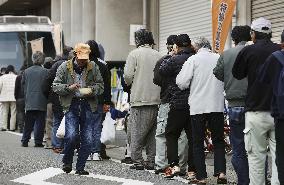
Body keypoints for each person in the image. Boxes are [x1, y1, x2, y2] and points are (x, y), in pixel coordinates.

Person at [232, 17, 281, 185]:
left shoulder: (248, 51)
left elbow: (237, 74)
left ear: (253, 34)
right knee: (279, 158)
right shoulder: (279, 50)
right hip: (279, 112)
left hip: (256, 111)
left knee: (256, 158)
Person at [176, 37, 226, 184]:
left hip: (198, 106)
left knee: (197, 142)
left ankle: (202, 177)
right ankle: (221, 173)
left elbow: (181, 82)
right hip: (216, 105)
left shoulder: (193, 60)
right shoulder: (218, 57)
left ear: (196, 47)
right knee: (218, 140)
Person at [53, 43, 104, 175]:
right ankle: (67, 162)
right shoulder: (64, 67)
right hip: (71, 104)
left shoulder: (94, 67)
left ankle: (80, 167)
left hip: (88, 105)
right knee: (71, 136)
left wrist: (91, 90)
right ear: (75, 55)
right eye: (81, 58)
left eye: (85, 59)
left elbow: (101, 86)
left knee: (88, 139)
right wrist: (68, 88)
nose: (83, 61)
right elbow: (55, 86)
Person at [213, 25, 251, 185]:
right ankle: (259, 180)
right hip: (256, 105)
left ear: (234, 39)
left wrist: (230, 80)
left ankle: (244, 181)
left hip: (235, 104)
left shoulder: (226, 54)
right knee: (257, 148)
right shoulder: (255, 52)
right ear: (250, 36)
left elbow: (217, 72)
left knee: (238, 146)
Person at [158, 34, 196, 179]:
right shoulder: (195, 58)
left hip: (178, 104)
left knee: (171, 134)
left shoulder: (174, 59)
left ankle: (174, 166)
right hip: (195, 104)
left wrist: (171, 54)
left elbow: (162, 71)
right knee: (193, 138)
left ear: (177, 46)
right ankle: (192, 170)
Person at [124, 29, 162, 170]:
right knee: (153, 134)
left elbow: (128, 76)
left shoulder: (134, 54)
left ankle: (138, 161)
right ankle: (152, 161)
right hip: (157, 99)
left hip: (140, 98)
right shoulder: (159, 55)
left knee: (137, 133)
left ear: (137, 40)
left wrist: (131, 83)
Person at [153, 34, 189, 176]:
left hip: (167, 100)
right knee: (182, 135)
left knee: (162, 133)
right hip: (184, 102)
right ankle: (181, 166)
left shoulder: (163, 60)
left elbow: (156, 79)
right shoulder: (189, 59)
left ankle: (161, 164)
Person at [258, 30, 284, 185]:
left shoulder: (275, 58)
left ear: (281, 43)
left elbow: (263, 79)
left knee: (281, 154)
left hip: (281, 115)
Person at [42, 46, 73, 153]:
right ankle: (66, 145)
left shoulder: (55, 65)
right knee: (69, 121)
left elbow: (47, 81)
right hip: (69, 97)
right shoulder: (73, 65)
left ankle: (56, 145)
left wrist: (48, 95)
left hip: (55, 97)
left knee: (56, 121)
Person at [86, 40, 111, 161]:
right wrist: (107, 101)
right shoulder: (103, 65)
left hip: (85, 100)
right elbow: (107, 85)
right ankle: (96, 152)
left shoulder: (82, 63)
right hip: (99, 100)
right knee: (97, 126)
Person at [21, 51, 48, 147]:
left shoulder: (26, 71)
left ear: (33, 59)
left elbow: (23, 85)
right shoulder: (46, 71)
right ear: (42, 60)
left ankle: (25, 140)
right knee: (40, 122)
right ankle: (38, 141)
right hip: (42, 99)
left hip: (29, 99)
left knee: (28, 122)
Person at [0, 65, 17, 131]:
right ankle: (12, 127)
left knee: (4, 112)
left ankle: (4, 126)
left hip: (4, 97)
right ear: (13, 70)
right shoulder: (16, 77)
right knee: (13, 112)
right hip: (14, 97)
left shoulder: (2, 77)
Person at [14, 65, 26, 133]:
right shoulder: (27, 76)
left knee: (20, 113)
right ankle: (26, 127)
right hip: (26, 97)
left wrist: (16, 97)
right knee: (27, 113)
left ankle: (21, 128)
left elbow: (16, 88)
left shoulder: (18, 77)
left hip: (19, 98)